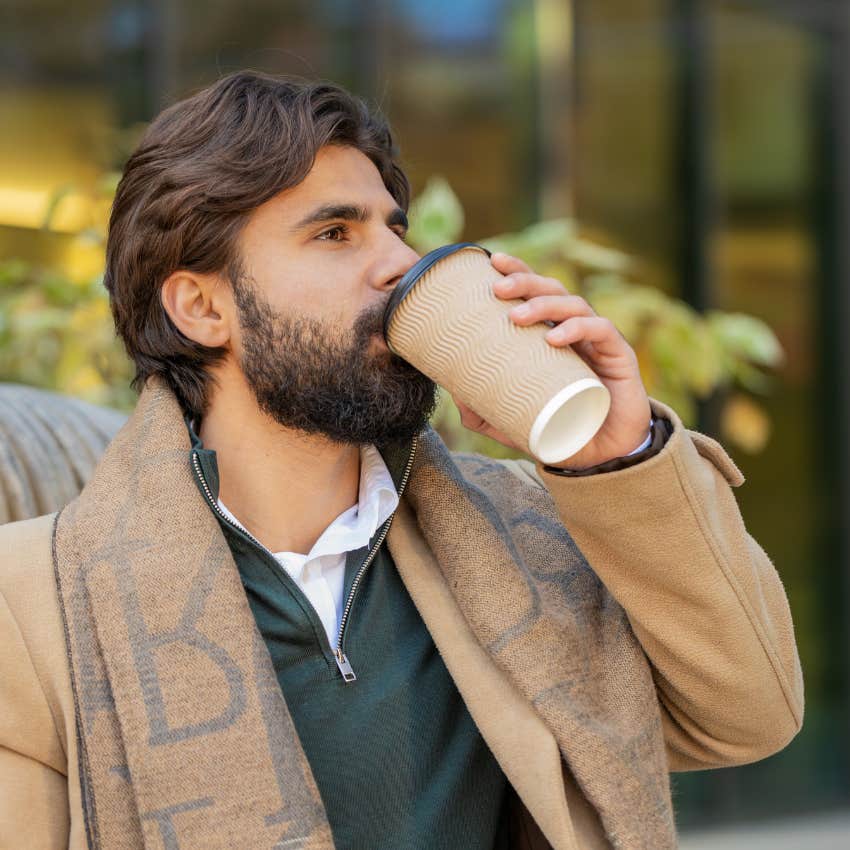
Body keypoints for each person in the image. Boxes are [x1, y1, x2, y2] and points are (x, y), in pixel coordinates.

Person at [0, 70, 803, 850]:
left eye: (396, 229)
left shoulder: (527, 532)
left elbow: (748, 715)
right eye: (334, 233)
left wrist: (614, 460)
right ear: (203, 307)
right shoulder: (34, 605)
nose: (397, 264)